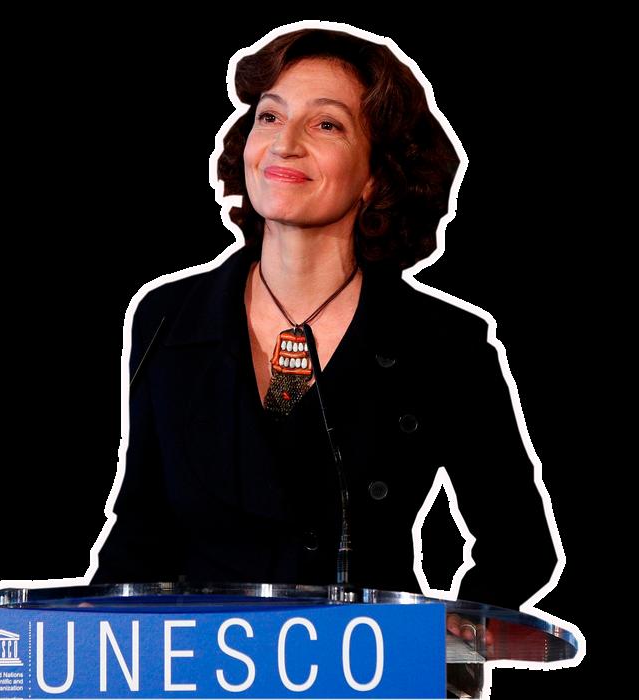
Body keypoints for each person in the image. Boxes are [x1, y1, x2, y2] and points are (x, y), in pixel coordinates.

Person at [89, 27, 559, 622]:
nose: (284, 145)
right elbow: (140, 533)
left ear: (377, 174)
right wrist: (89, 642)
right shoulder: (166, 315)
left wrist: (442, 644)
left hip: (363, 661)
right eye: (269, 117)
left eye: (326, 124)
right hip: (199, 661)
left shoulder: (445, 344)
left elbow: (519, 545)